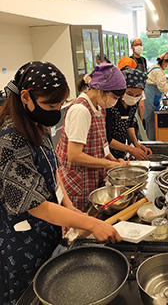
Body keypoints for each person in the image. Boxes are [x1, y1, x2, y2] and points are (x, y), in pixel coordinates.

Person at [0, 62, 121, 305]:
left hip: (47, 230)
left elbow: (54, 169)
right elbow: (36, 205)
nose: (56, 111)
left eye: (59, 105)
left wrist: (67, 204)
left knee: (53, 287)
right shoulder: (9, 141)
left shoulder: (36, 124)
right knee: (30, 296)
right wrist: (91, 222)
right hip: (21, 241)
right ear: (25, 97)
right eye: (50, 105)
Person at [56, 63, 128, 211]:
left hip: (91, 180)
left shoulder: (99, 107)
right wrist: (108, 165)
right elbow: (74, 156)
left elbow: (102, 143)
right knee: (77, 228)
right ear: (102, 91)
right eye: (114, 97)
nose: (114, 102)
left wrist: (115, 161)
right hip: (76, 183)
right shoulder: (80, 110)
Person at [106, 68, 152, 160]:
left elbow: (129, 125)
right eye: (129, 94)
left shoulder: (133, 104)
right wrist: (131, 150)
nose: (133, 98)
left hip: (122, 151)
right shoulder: (111, 104)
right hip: (108, 154)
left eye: (138, 95)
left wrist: (136, 144)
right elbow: (107, 139)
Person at [144, 52, 168, 140]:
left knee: (150, 123)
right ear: (164, 62)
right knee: (150, 123)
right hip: (150, 99)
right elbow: (163, 88)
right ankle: (151, 143)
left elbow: (159, 82)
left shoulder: (155, 68)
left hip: (152, 98)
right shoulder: (157, 71)